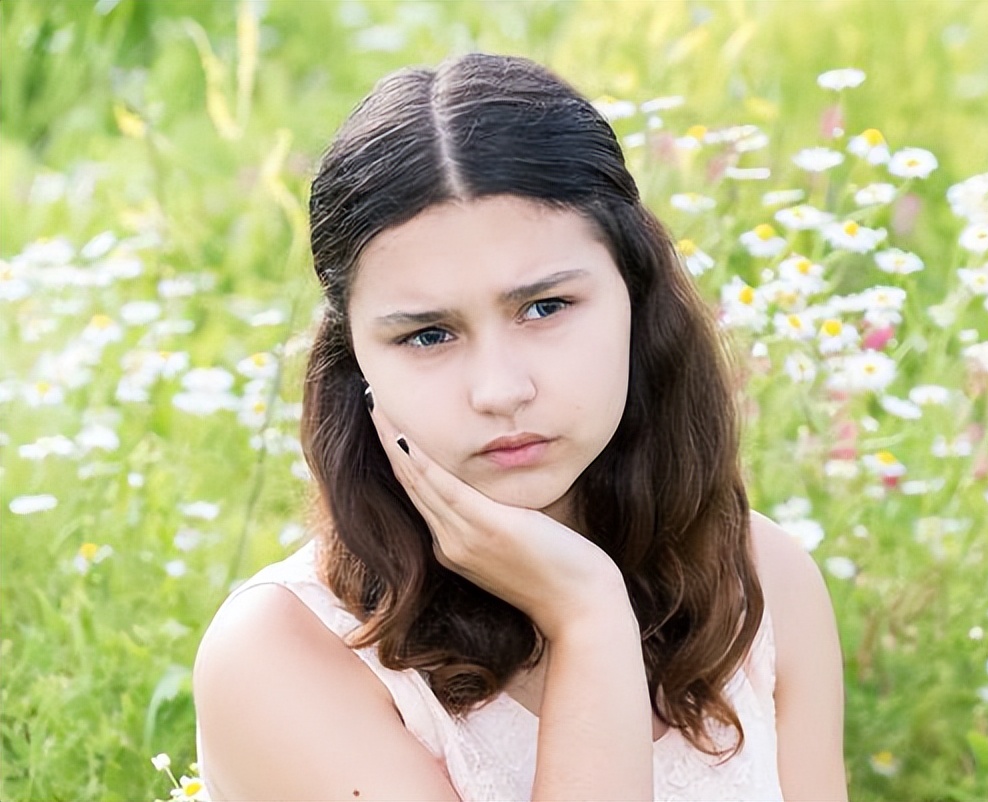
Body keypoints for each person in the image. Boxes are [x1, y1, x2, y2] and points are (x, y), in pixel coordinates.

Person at [192, 52, 847, 802]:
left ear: (637, 300)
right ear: (356, 363)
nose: (502, 390)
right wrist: (587, 616)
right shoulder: (286, 655)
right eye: (429, 335)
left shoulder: (758, 580)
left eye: (544, 308)